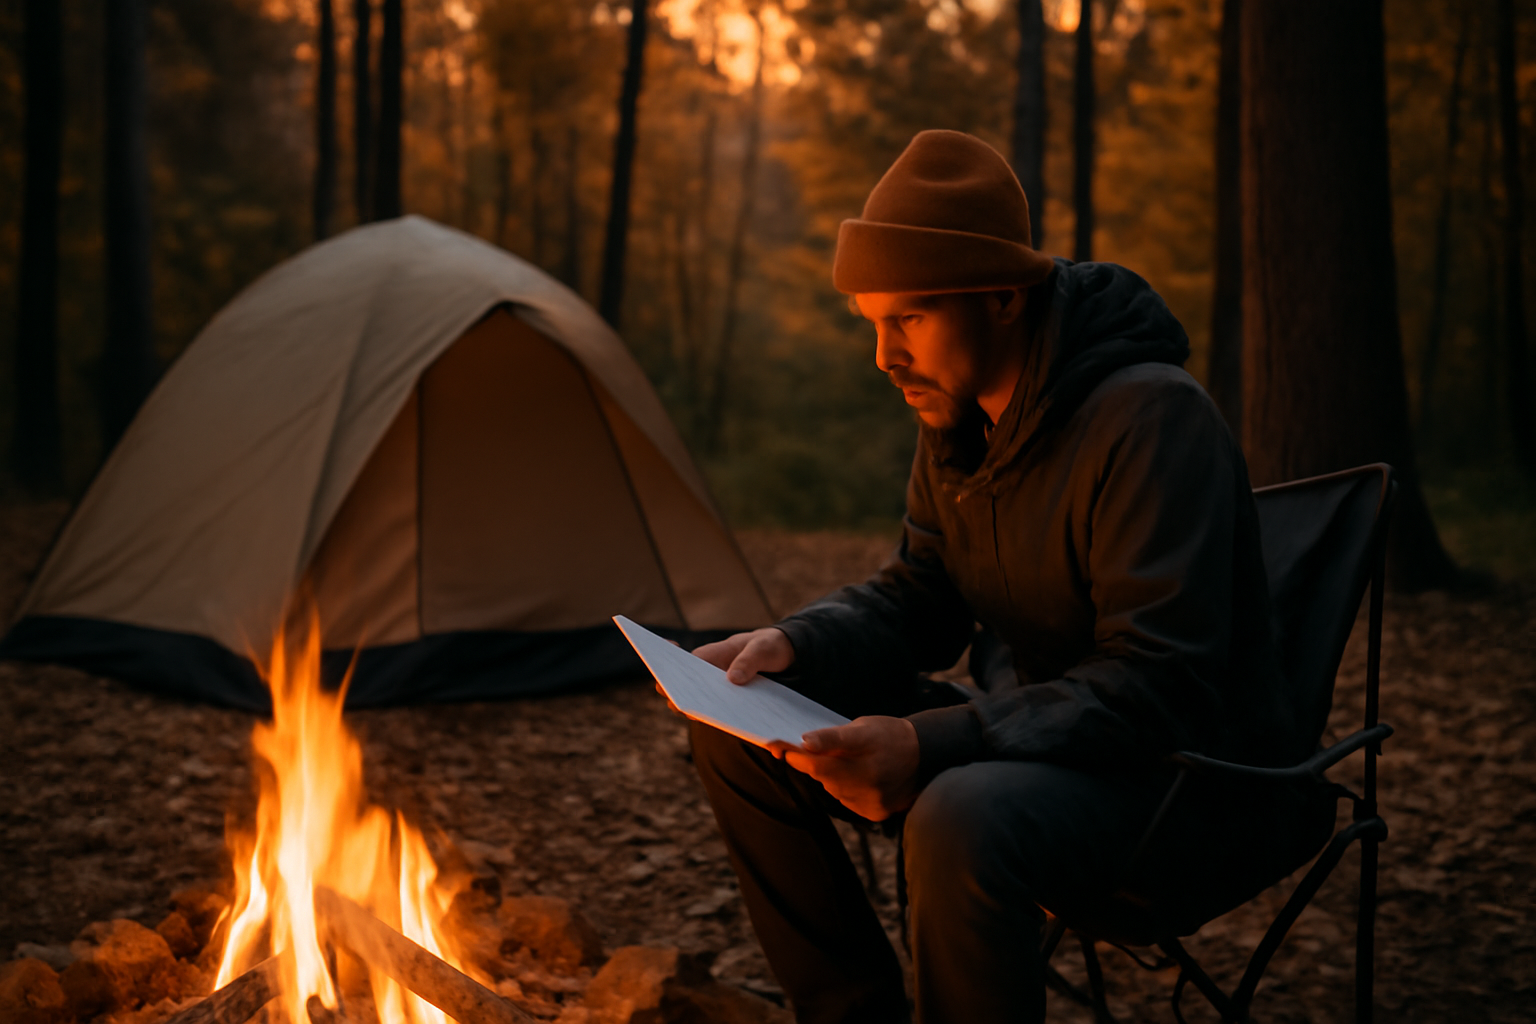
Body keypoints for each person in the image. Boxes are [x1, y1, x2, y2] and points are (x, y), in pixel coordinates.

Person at [685, 130, 1334, 1024]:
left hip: (1192, 791)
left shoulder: (1150, 421)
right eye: (872, 324)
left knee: (958, 812)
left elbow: (1161, 686)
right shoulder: (956, 423)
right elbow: (922, 595)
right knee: (737, 724)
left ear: (1002, 298)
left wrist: (932, 743)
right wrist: (796, 644)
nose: (884, 356)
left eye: (907, 318)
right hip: (1048, 750)